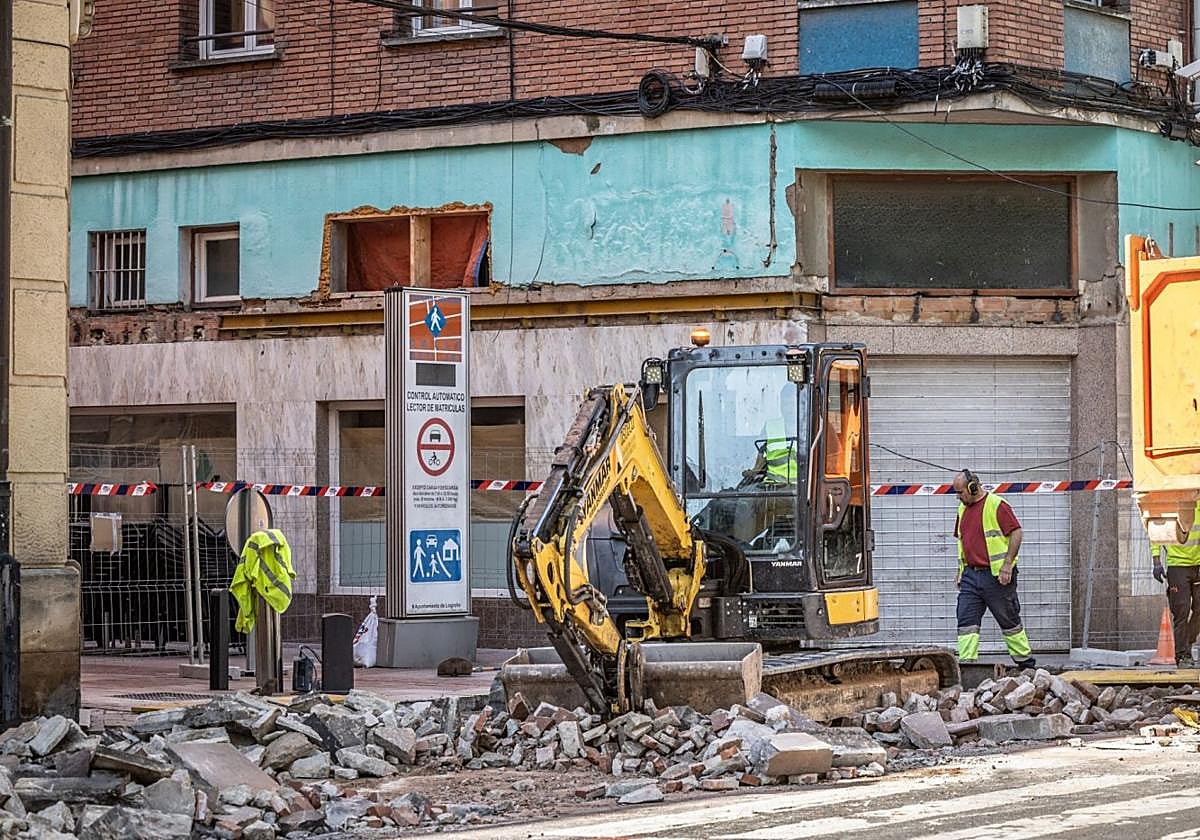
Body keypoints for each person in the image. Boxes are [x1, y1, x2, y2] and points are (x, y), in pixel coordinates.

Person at [953, 468, 1035, 669]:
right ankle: (967, 667)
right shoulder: (962, 510)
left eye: (960, 492)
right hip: (971, 576)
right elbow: (963, 542)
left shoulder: (996, 505)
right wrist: (960, 571)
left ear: (973, 487)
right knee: (966, 622)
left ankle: (1026, 664)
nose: (958, 497)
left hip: (997, 576)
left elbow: (1016, 532)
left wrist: (1007, 564)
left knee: (1009, 621)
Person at [1151, 499, 1200, 667]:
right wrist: (1156, 561)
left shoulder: (1197, 505)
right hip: (1177, 565)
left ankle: (1188, 641)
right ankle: (1182, 655)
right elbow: (1156, 532)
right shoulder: (1170, 507)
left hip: (1198, 564)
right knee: (1181, 611)